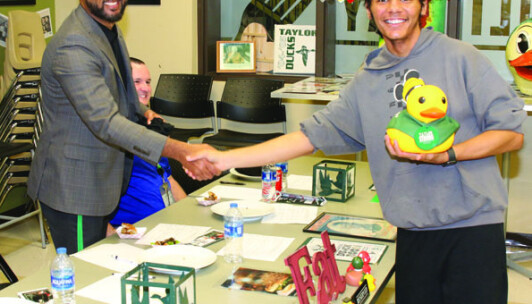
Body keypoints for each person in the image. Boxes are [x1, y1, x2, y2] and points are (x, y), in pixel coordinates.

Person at [188, 0, 526, 303]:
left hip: (472, 227)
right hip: (412, 232)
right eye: (381, 0)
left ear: (424, 6)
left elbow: (511, 134)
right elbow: (308, 136)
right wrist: (224, 159)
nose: (393, 8)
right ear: (368, 11)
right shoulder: (368, 78)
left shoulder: (461, 58)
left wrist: (447, 155)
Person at [27, 0, 219, 254]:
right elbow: (106, 121)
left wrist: (144, 110)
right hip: (77, 188)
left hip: (103, 180)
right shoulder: (74, 44)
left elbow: (121, 96)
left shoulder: (109, 30)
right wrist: (181, 150)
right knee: (86, 273)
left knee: (103, 268)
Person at [108, 58, 187, 228]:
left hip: (164, 223)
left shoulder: (152, 125)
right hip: (132, 230)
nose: (145, 88)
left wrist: (188, 213)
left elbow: (167, 176)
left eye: (148, 82)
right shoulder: (112, 131)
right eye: (137, 82)